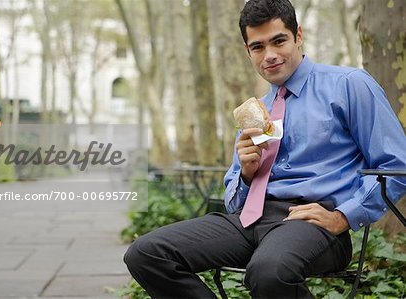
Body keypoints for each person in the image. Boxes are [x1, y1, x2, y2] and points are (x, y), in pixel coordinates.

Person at [124, 0, 406, 298]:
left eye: (279, 41)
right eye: (257, 47)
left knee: (269, 271)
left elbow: (395, 166)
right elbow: (234, 202)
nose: (269, 55)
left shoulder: (349, 85)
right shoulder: (255, 111)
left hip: (310, 221)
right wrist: (246, 174)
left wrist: (343, 216)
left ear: (298, 35)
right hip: (249, 222)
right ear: (248, 51)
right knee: (146, 254)